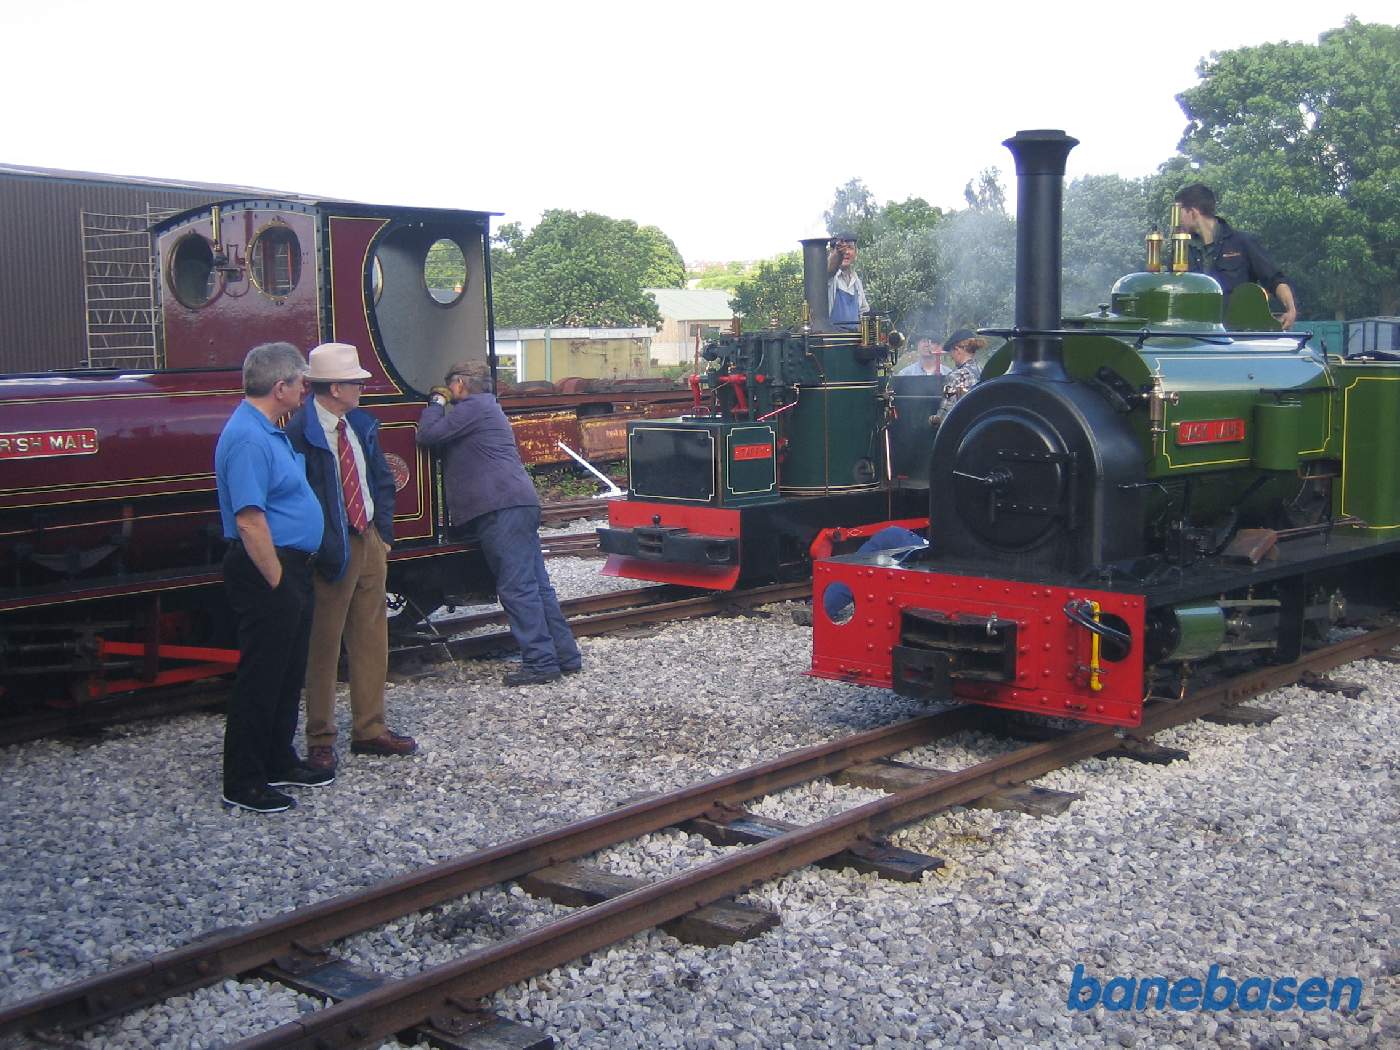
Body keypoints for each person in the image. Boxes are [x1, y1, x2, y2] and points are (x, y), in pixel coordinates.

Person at [288, 342, 418, 773]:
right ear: (336, 387)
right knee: (323, 645)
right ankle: (320, 737)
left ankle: (369, 729)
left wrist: (383, 534)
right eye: (357, 382)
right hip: (332, 545)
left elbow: (379, 479)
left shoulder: (358, 425)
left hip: (367, 539)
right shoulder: (302, 432)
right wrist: (321, 543)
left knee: (371, 637)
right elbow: (300, 495)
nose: (363, 388)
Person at [214, 342, 331, 813]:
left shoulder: (268, 430)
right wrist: (279, 582)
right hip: (267, 568)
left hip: (288, 566)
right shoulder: (246, 437)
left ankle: (278, 759)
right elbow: (249, 519)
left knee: (286, 674)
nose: (307, 390)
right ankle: (243, 780)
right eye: (301, 383)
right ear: (280, 387)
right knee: (261, 677)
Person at [416, 361, 583, 686]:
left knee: (517, 587)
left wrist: (435, 404)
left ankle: (540, 662)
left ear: (461, 384)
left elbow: (428, 435)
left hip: (500, 507)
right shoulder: (487, 407)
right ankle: (565, 656)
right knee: (536, 585)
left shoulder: (473, 408)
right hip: (516, 503)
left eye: (450, 387)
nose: (449, 392)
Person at [1174, 184, 1297, 330]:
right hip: (1196, 337)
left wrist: (1291, 310)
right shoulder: (1182, 250)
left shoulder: (1242, 242)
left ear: (1192, 212)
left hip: (1238, 338)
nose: (1177, 219)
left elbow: (1275, 279)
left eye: (1178, 211)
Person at [826, 233, 868, 329]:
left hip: (854, 341)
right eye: (842, 249)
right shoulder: (829, 279)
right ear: (832, 253)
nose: (846, 252)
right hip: (832, 341)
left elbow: (864, 313)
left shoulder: (857, 282)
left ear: (856, 252)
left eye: (850, 247)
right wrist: (838, 255)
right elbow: (830, 270)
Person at [940, 328, 986, 409]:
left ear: (957, 350)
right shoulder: (983, 372)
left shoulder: (955, 377)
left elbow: (946, 411)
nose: (951, 357)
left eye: (951, 352)